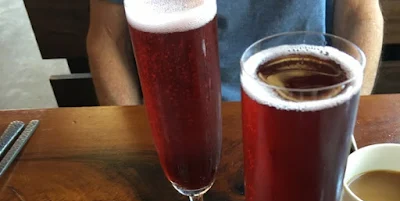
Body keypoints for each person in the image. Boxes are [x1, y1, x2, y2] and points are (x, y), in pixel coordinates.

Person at [87, 0, 384, 106]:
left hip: (310, 106)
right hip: (187, 117)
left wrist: (347, 116)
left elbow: (361, 13)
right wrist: (141, 133)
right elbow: (106, 39)